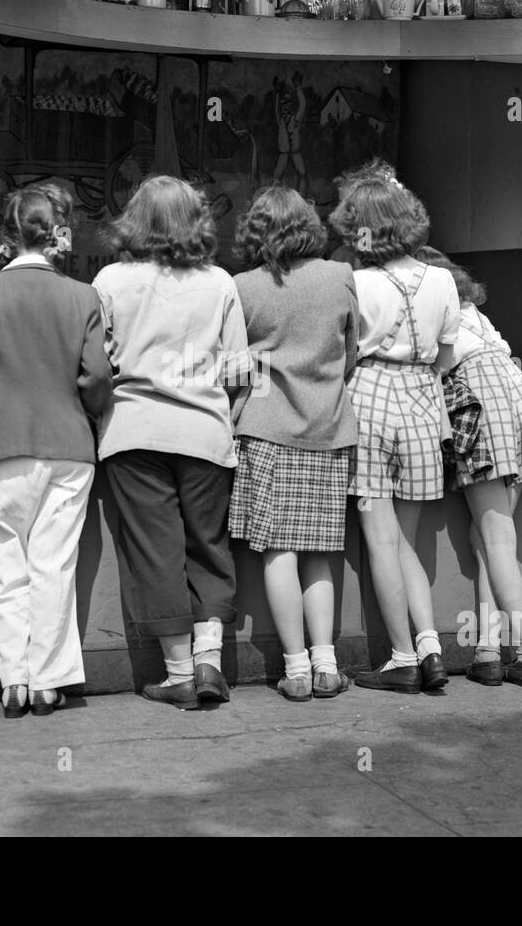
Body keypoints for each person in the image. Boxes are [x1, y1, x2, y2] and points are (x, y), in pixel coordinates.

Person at [92, 175, 252, 710]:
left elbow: (96, 363)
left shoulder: (111, 280)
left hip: (134, 431)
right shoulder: (220, 282)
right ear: (197, 221)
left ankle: (178, 673)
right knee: (208, 546)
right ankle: (210, 662)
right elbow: (238, 371)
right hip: (206, 432)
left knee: (155, 551)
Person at [0, 188, 113, 717]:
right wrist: (88, 410)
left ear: (7, 234)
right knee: (53, 566)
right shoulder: (84, 296)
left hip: (5, 441)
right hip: (69, 444)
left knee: (9, 567)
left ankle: (14, 683)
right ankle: (48, 682)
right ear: (57, 236)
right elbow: (96, 378)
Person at [329, 174, 460, 695]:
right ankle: (430, 646)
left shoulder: (355, 282)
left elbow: (344, 358)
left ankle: (402, 658)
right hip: (425, 401)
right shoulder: (443, 279)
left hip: (371, 395)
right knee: (409, 539)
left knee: (381, 540)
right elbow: (447, 359)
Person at [231, 186, 359, 702]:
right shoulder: (340, 276)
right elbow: (351, 355)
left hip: (265, 428)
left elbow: (234, 366)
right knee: (320, 551)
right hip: (329, 427)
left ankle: (296, 669)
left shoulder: (242, 286)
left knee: (277, 551)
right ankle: (327, 664)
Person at [428, 255, 522, 688]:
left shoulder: (436, 312)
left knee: (495, 538)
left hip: (481, 399)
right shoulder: (476, 315)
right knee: (487, 535)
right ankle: (488, 651)